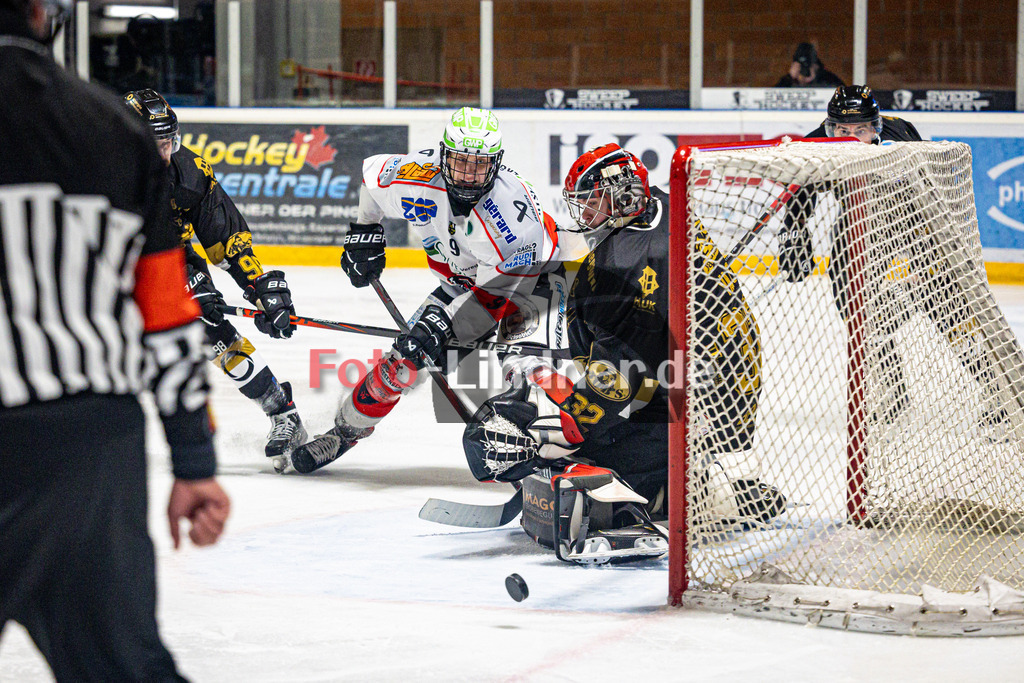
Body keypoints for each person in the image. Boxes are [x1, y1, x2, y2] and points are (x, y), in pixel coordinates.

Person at [1, 1, 230, 680]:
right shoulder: (112, 128)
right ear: (46, 14)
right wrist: (193, 456)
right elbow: (166, 315)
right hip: (89, 456)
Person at [461, 144, 786, 564]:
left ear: (624, 196)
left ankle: (661, 493)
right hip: (713, 396)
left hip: (683, 409)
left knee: (499, 435)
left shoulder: (630, 262)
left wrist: (540, 375)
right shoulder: (663, 210)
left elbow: (602, 402)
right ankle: (697, 488)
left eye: (593, 203)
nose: (585, 215)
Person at [290, 107, 563, 474]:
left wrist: (440, 327)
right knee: (401, 365)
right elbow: (372, 183)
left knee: (525, 367)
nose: (468, 176)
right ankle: (344, 434)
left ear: (496, 165)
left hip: (531, 290)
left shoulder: (512, 221)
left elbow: (490, 303)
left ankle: (556, 448)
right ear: (443, 154)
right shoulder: (415, 175)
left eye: (479, 166)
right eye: (461, 162)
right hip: (463, 284)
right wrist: (364, 230)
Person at [780, 86, 1003, 432]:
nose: (851, 140)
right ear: (830, 127)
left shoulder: (901, 134)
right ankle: (891, 387)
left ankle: (996, 388)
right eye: (842, 130)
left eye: (861, 131)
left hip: (918, 221)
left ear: (876, 127)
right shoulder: (816, 145)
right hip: (859, 224)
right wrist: (794, 235)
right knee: (854, 307)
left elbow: (941, 182)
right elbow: (799, 195)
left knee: (947, 308)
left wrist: (942, 248)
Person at [123, 89, 306, 473]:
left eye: (168, 143)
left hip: (171, 259)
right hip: (109, 269)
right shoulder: (92, 173)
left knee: (213, 334)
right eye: (151, 144)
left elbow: (226, 239)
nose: (163, 155)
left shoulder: (190, 174)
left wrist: (259, 287)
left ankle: (282, 411)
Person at [775, 42, 844, 88]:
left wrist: (817, 78)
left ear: (815, 65)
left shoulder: (828, 78)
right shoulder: (788, 81)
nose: (804, 69)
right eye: (800, 66)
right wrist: (789, 78)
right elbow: (773, 96)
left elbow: (841, 91)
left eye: (807, 65)